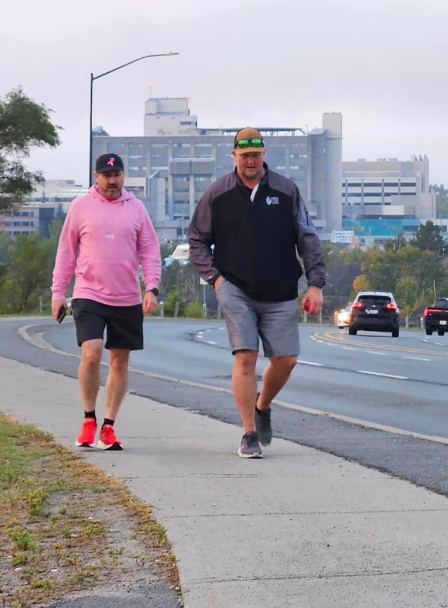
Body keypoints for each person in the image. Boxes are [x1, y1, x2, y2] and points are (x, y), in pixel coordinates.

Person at [188, 127, 325, 459]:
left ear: (263, 155)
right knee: (245, 356)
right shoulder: (217, 193)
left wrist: (316, 283)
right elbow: (197, 238)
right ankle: (249, 431)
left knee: (286, 360)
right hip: (234, 287)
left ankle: (262, 405)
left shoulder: (286, 190)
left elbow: (307, 237)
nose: (250, 161)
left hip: (280, 290)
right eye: (244, 155)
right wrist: (215, 279)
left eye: (256, 155)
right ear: (234, 155)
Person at [51, 153, 161, 451]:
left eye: (117, 175)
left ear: (122, 177)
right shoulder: (80, 207)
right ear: (96, 177)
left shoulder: (136, 209)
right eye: (106, 175)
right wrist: (58, 292)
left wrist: (151, 288)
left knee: (119, 360)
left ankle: (108, 427)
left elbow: (150, 250)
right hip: (89, 292)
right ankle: (89, 419)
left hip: (126, 297)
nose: (112, 181)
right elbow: (66, 251)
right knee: (91, 353)